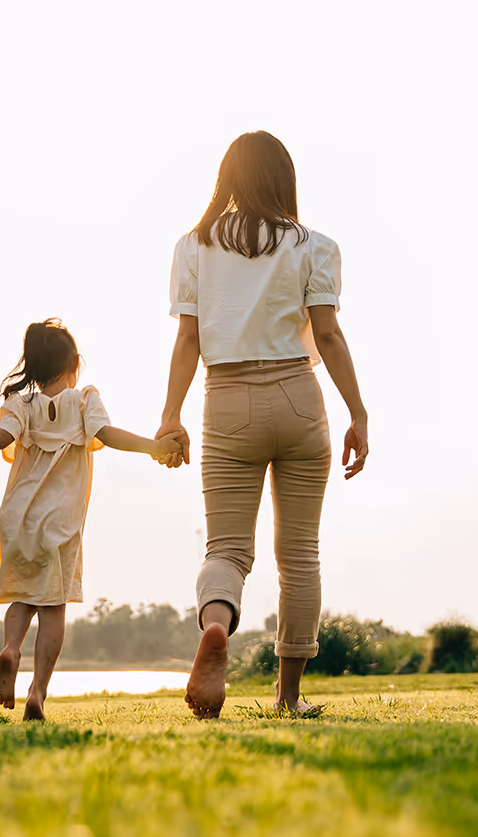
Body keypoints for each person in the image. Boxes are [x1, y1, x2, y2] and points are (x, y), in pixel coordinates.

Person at [156, 131, 369, 719]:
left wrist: (171, 415)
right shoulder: (315, 245)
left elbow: (188, 340)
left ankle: (217, 623)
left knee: (226, 549)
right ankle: (289, 696)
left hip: (226, 399)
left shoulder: (192, 246)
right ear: (284, 179)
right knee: (299, 555)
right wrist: (359, 413)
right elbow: (327, 334)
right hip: (299, 395)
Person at [0, 319, 186, 721]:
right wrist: (153, 447)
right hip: (62, 523)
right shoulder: (85, 399)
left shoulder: (20, 404)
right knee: (53, 608)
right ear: (74, 363)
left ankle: (10, 649)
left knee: (22, 597)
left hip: (19, 517)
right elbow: (109, 434)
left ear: (32, 368)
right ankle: (37, 690)